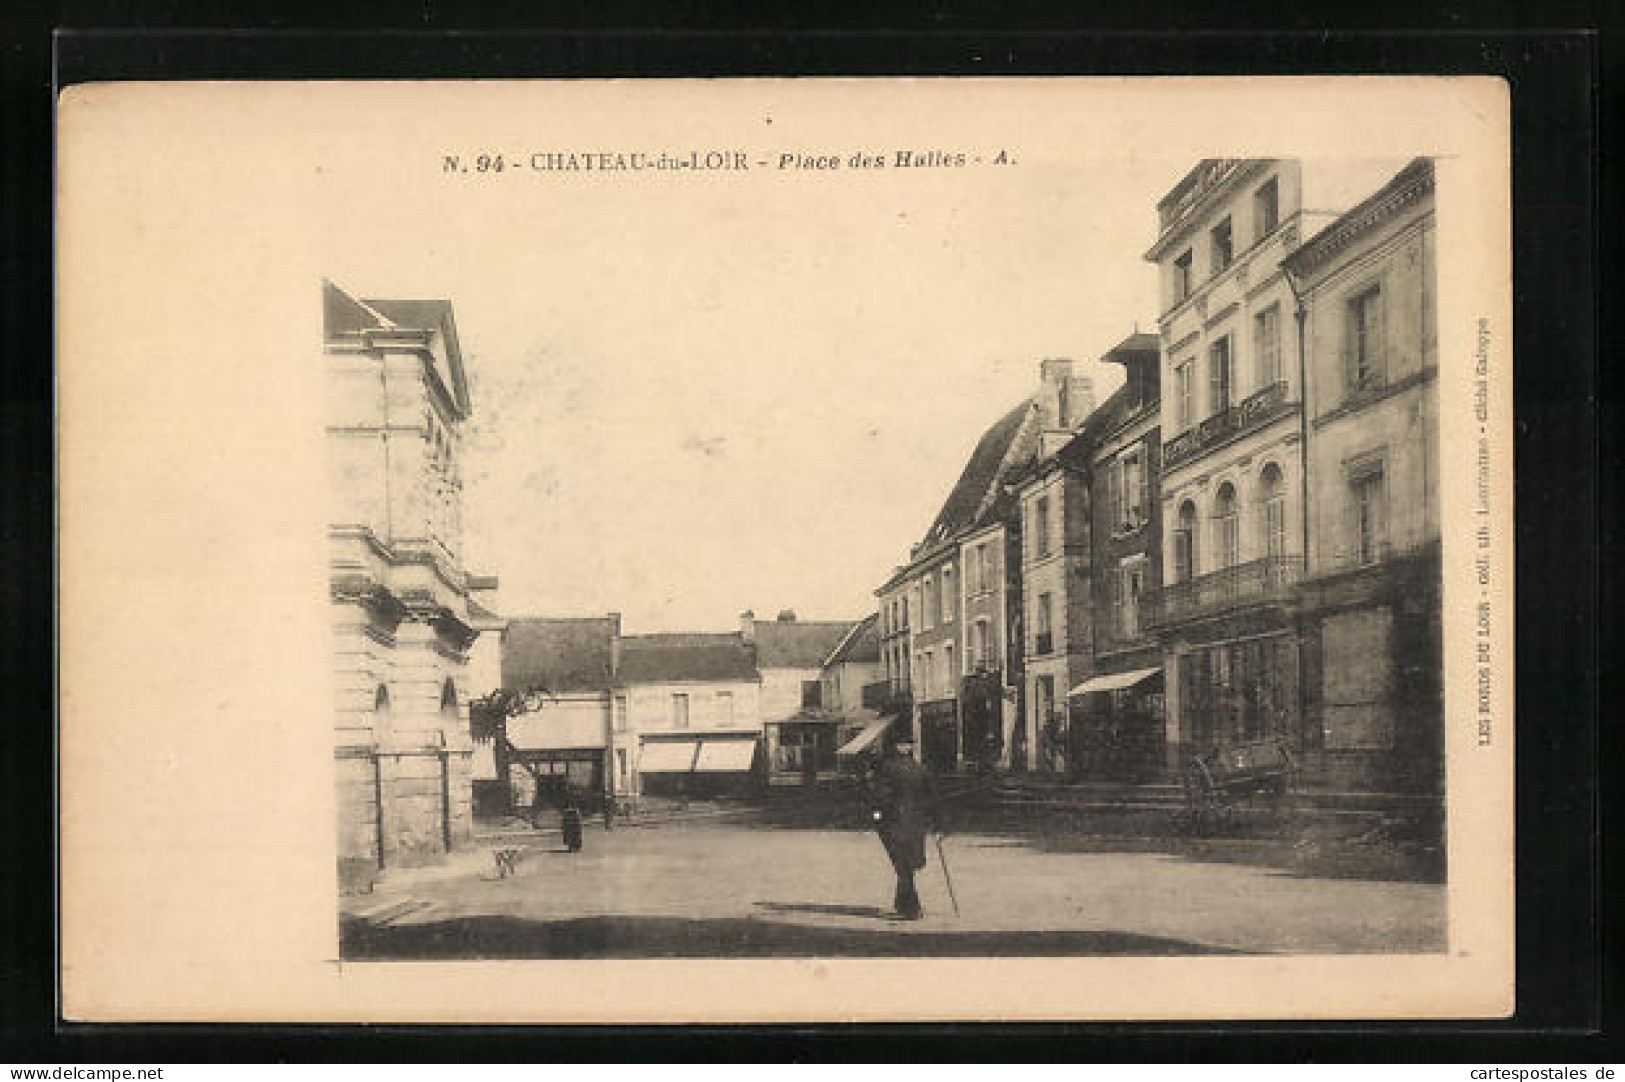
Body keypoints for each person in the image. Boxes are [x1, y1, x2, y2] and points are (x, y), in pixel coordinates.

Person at [863, 733, 941, 920]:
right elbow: (933, 798)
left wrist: (876, 816)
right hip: (916, 824)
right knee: (908, 862)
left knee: (902, 864)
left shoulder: (887, 767)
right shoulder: (920, 769)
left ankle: (913, 908)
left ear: (897, 746)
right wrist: (938, 824)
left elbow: (879, 796)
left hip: (893, 822)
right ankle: (901, 902)